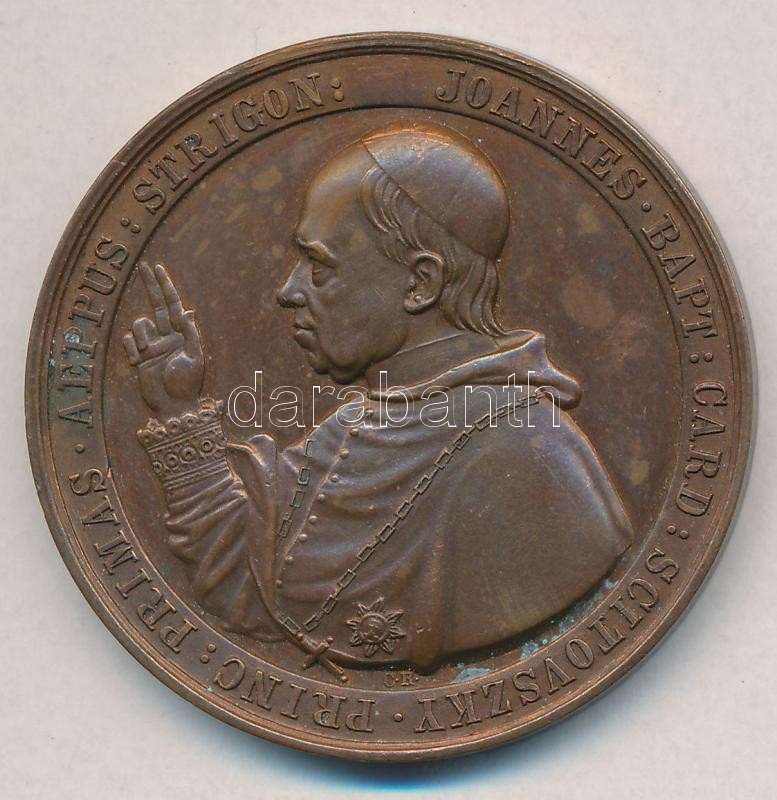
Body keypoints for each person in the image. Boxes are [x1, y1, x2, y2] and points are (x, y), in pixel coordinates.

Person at [124, 120, 633, 678]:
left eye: (319, 265)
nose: (289, 290)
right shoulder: (352, 425)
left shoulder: (529, 457)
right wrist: (177, 409)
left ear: (420, 282)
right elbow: (256, 591)